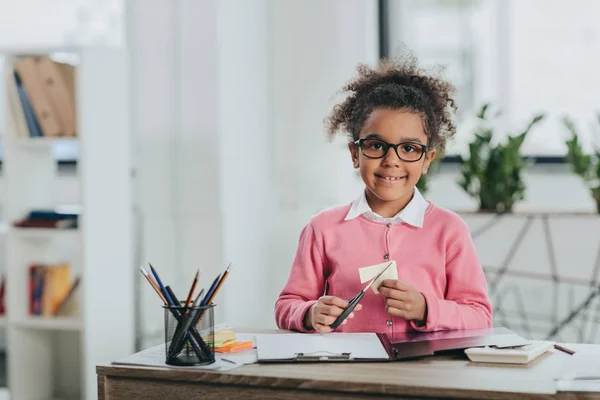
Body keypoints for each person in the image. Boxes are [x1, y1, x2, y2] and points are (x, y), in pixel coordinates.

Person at [274, 53, 493, 334]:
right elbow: (287, 304)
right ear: (355, 153)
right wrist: (309, 313)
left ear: (427, 159)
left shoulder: (449, 230)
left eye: (409, 148)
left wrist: (426, 308)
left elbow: (479, 316)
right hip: (348, 372)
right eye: (376, 146)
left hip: (426, 374)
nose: (392, 160)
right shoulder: (323, 229)